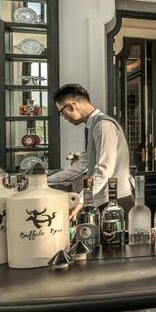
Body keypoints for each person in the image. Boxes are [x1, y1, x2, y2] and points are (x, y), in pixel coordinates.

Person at [47, 83, 133, 218]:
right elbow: (82, 165)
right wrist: (45, 181)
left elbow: (104, 171)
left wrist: (81, 200)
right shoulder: (92, 126)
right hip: (104, 200)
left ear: (71, 106)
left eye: (62, 113)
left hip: (115, 201)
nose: (64, 117)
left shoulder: (103, 125)